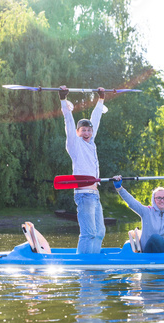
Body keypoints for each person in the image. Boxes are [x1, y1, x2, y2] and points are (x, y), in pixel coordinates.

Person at [59, 85, 106, 254]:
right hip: (84, 195)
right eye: (83, 130)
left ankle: (94, 263)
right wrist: (63, 100)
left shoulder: (91, 144)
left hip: (95, 195)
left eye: (89, 130)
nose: (86, 133)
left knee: (99, 233)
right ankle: (84, 267)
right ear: (78, 132)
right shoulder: (74, 145)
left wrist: (101, 99)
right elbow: (69, 123)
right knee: (89, 234)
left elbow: (96, 118)